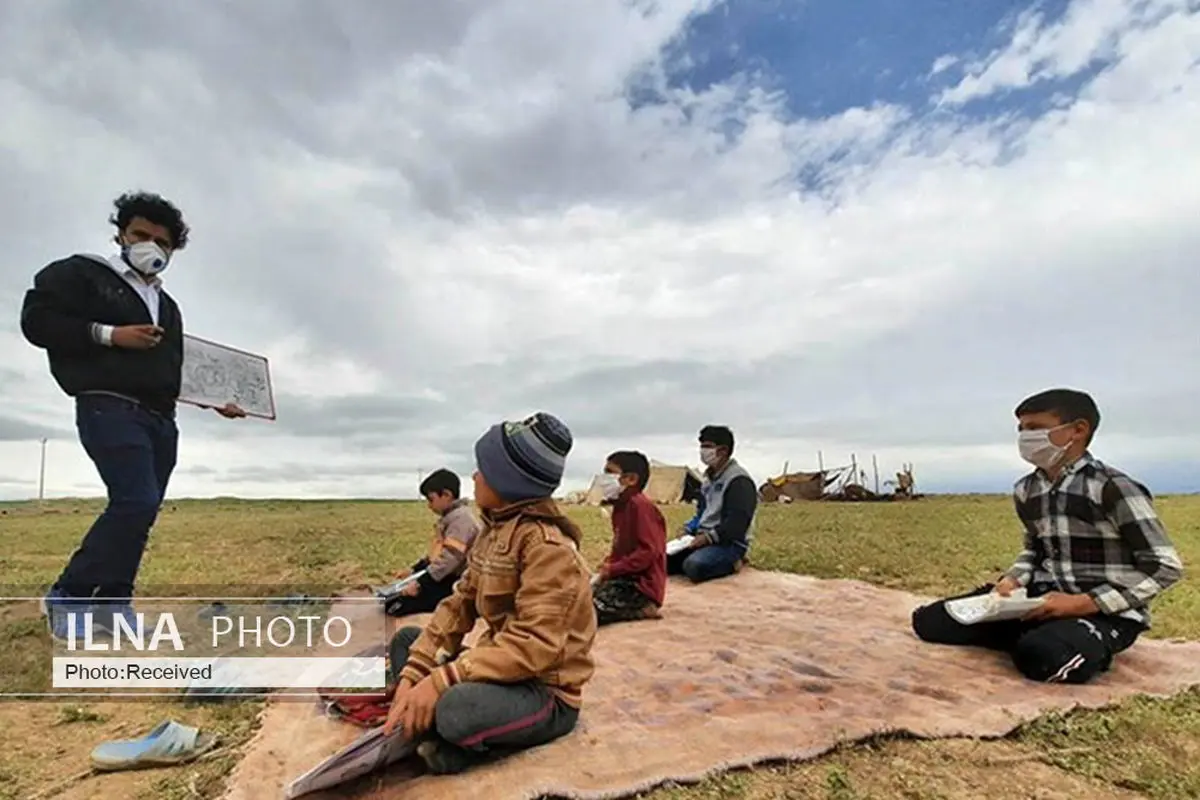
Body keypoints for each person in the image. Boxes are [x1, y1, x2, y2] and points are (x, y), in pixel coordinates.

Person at [20, 191, 245, 642]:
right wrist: (109, 335)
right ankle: (67, 594)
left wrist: (214, 399)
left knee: (144, 512)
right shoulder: (81, 274)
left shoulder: (168, 306)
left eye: (162, 242)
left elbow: (172, 369)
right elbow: (37, 322)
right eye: (141, 235)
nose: (151, 247)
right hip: (108, 403)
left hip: (160, 417)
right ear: (122, 233)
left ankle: (113, 602)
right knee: (134, 500)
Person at [911, 388, 1184, 684]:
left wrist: (1082, 603)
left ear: (1078, 430)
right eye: (1021, 430)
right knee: (930, 621)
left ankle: (1077, 641)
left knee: (1044, 658)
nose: (1025, 438)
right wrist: (1013, 580)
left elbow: (1163, 566)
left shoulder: (1113, 487)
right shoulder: (1026, 490)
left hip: (1104, 611)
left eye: (1036, 428)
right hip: (1037, 602)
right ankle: (1032, 633)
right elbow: (1034, 549)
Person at [383, 412, 596, 775]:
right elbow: (459, 603)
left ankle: (451, 734)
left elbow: (533, 647)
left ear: (508, 481)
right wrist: (416, 671)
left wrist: (443, 679)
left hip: (543, 691)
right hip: (500, 672)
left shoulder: (549, 548)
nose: (475, 476)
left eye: (482, 469)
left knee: (455, 708)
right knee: (407, 641)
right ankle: (429, 722)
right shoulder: (491, 532)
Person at [384, 468, 482, 618]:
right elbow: (437, 556)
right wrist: (414, 570)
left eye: (431, 499)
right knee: (392, 595)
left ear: (447, 495)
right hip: (445, 576)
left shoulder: (462, 521)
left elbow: (449, 560)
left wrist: (420, 583)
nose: (429, 505)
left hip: (459, 581)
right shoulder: (452, 518)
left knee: (394, 605)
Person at [668, 425, 757, 583]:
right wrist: (688, 528)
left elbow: (737, 523)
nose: (702, 451)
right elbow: (702, 512)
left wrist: (708, 538)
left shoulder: (739, 480)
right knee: (660, 560)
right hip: (701, 538)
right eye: (701, 446)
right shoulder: (707, 480)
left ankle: (735, 562)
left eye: (707, 446)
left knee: (695, 566)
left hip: (729, 543)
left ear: (723, 450)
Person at [591, 450, 668, 625]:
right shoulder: (621, 506)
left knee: (586, 611)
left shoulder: (640, 506)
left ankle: (645, 607)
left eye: (609, 472)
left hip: (640, 587)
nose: (604, 478)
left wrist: (614, 568)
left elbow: (648, 552)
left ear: (631, 479)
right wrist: (609, 565)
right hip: (624, 579)